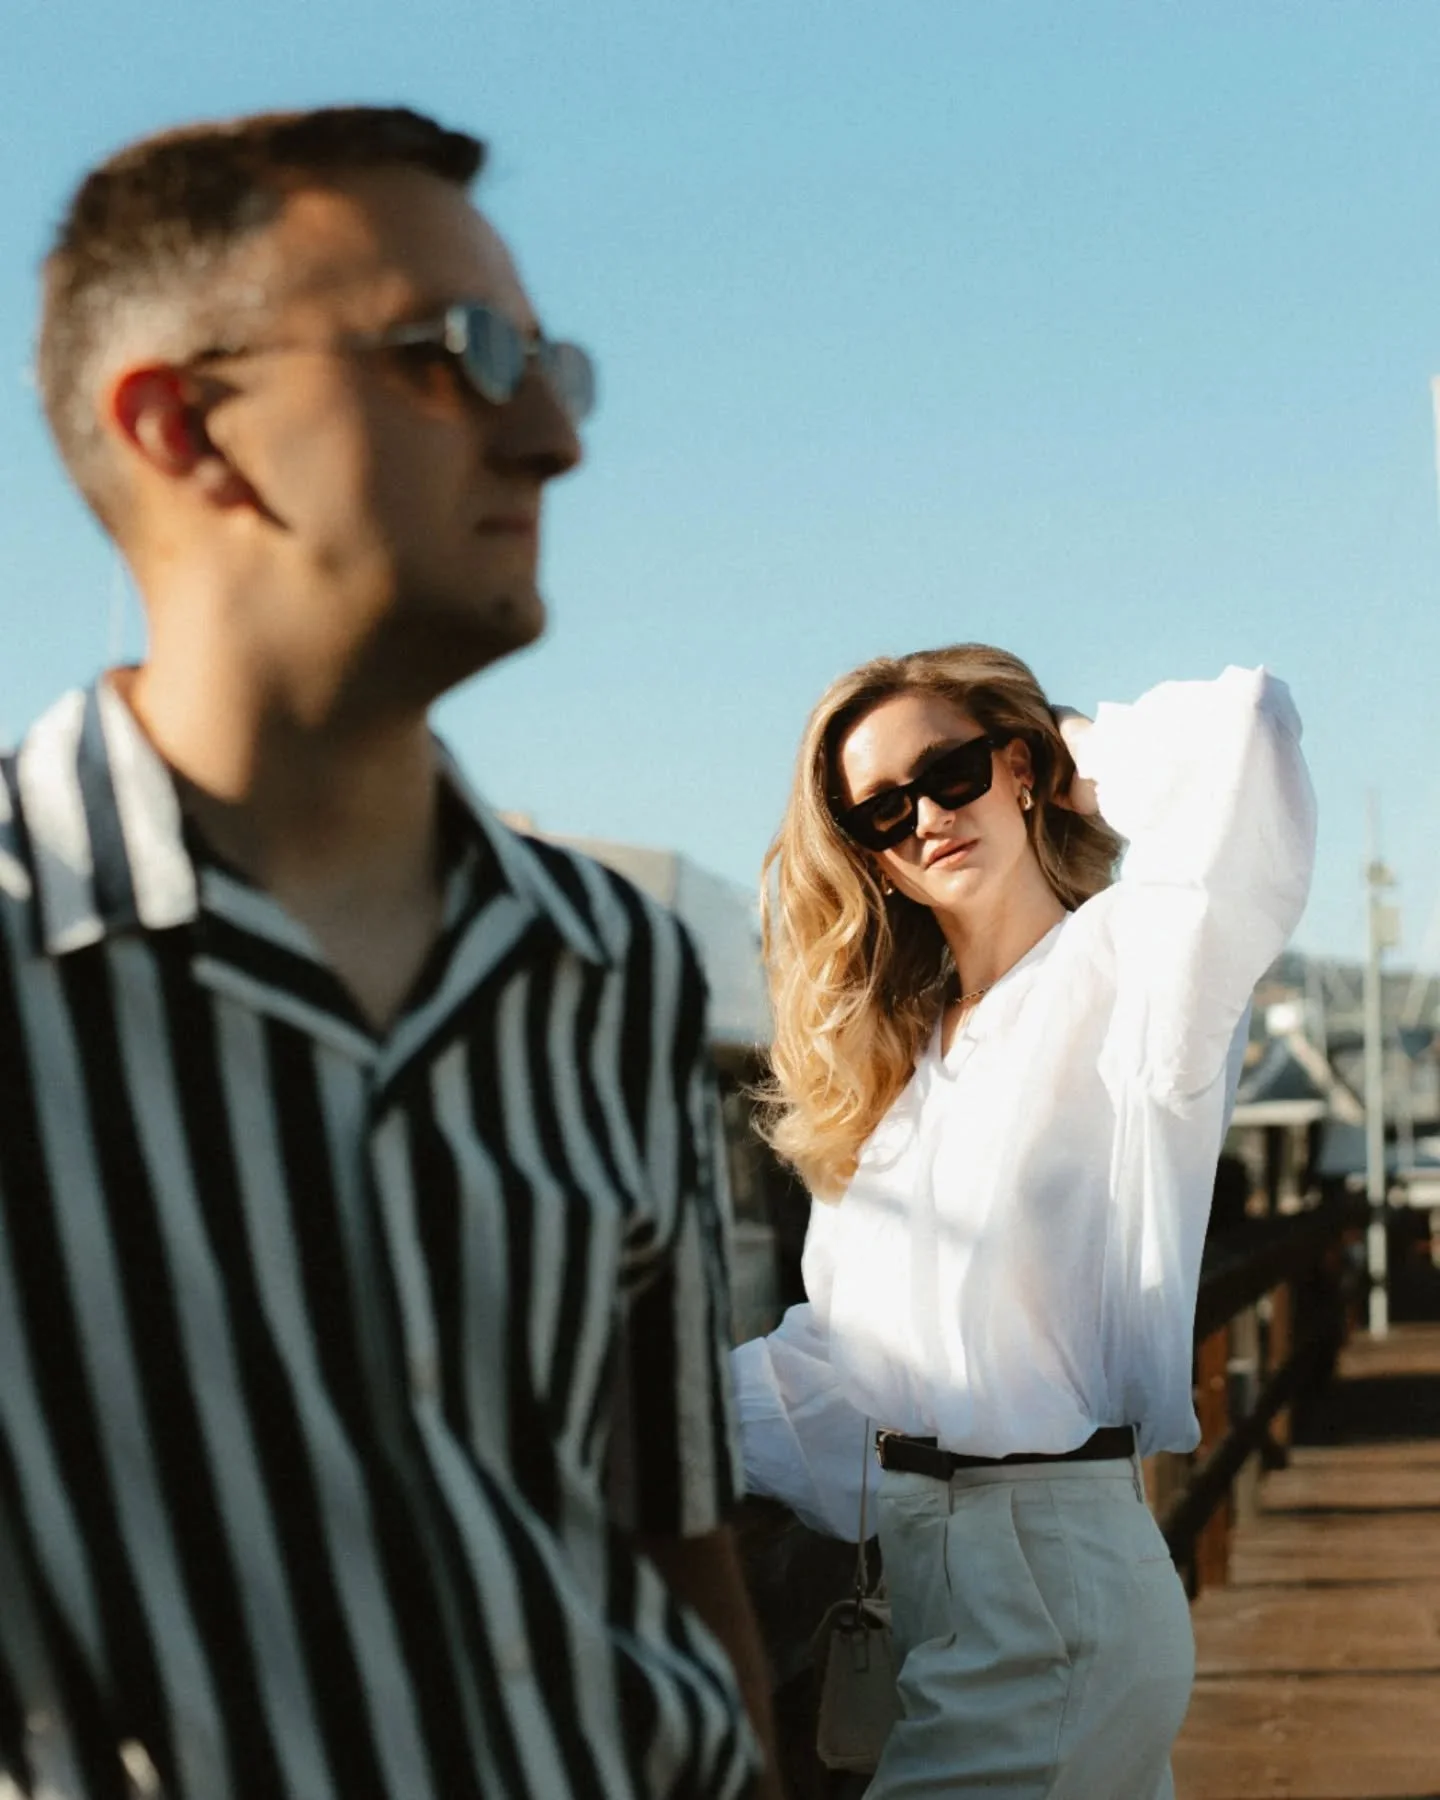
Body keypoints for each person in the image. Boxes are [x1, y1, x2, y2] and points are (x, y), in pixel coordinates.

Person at [0, 106, 780, 1800]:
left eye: (553, 366)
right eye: (458, 354)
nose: (550, 439)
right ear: (182, 428)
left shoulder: (615, 970)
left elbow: (675, 1546)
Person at [733, 644, 1316, 1797]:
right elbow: (845, 1368)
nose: (926, 818)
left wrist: (1073, 750)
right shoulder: (904, 1072)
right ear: (869, 859)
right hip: (937, 1596)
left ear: (1016, 770)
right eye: (882, 811)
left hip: (1052, 1593)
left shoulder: (1134, 971)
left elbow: (1247, 734)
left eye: (949, 773)